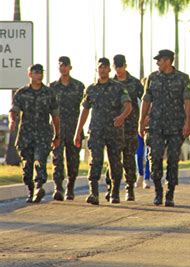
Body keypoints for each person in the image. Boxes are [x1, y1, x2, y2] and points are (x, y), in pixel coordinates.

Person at [74, 57, 131, 205]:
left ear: (109, 69)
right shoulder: (91, 89)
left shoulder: (118, 87)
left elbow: (128, 106)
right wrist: (78, 131)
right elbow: (85, 110)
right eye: (100, 67)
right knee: (95, 161)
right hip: (96, 131)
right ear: (97, 69)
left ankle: (115, 192)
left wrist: (121, 117)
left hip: (114, 131)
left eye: (105, 67)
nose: (103, 69)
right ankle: (93, 193)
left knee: (115, 163)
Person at [139, 49, 190, 207]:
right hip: (155, 125)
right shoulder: (152, 78)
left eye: (160, 60)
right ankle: (158, 190)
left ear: (168, 61)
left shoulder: (183, 79)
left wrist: (188, 122)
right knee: (154, 157)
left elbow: (188, 101)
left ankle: (170, 192)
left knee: (173, 160)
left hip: (176, 126)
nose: (157, 63)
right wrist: (141, 121)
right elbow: (146, 100)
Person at [9, 64, 61, 203]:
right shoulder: (22, 93)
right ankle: (30, 190)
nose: (40, 75)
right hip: (26, 134)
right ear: (30, 74)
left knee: (40, 161)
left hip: (43, 135)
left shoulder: (49, 93)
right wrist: (12, 121)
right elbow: (14, 110)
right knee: (27, 165)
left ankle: (39, 187)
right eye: (36, 72)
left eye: (41, 72)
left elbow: (55, 116)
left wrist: (57, 135)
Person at [104, 55, 144, 201]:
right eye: (116, 66)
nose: (119, 69)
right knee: (112, 159)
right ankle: (111, 188)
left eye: (121, 66)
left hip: (130, 127)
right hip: (112, 128)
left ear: (125, 66)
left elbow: (145, 99)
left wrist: (144, 119)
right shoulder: (108, 83)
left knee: (128, 158)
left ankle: (129, 188)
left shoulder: (135, 83)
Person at [49, 56, 85, 201]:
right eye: (61, 65)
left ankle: (70, 187)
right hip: (57, 129)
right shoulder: (52, 87)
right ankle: (58, 188)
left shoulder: (79, 86)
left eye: (65, 65)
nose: (63, 68)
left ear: (70, 67)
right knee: (57, 159)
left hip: (74, 128)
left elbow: (85, 107)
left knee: (73, 160)